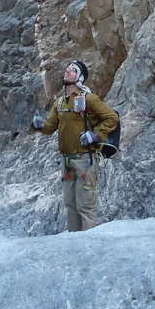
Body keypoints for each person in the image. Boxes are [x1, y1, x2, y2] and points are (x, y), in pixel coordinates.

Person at [31, 60, 118, 232]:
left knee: (85, 205)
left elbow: (112, 118)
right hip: (67, 162)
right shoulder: (60, 103)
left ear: (80, 77)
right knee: (70, 204)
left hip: (85, 160)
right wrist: (39, 125)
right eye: (67, 69)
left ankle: (88, 243)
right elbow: (50, 127)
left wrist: (94, 135)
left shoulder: (89, 99)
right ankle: (74, 241)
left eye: (73, 70)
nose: (67, 71)